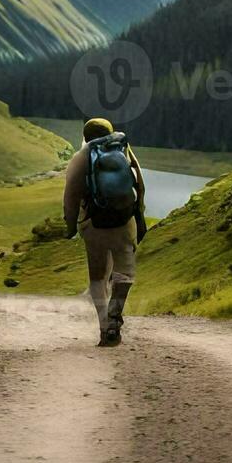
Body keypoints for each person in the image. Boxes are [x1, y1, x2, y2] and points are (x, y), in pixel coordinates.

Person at [63, 118, 147, 347]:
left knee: (98, 277)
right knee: (125, 273)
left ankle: (104, 327)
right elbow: (139, 183)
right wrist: (138, 215)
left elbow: (70, 196)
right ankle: (115, 316)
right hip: (124, 221)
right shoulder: (123, 148)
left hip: (94, 224)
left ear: (85, 135)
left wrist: (71, 226)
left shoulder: (82, 156)